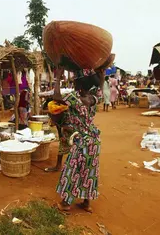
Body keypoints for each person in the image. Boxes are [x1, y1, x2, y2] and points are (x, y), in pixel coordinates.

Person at [52, 68, 102, 213]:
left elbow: (56, 97)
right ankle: (86, 203)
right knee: (89, 171)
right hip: (94, 140)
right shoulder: (93, 99)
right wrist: (102, 72)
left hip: (82, 141)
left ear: (78, 86)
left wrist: (58, 77)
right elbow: (99, 86)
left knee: (73, 170)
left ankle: (66, 204)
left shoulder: (75, 99)